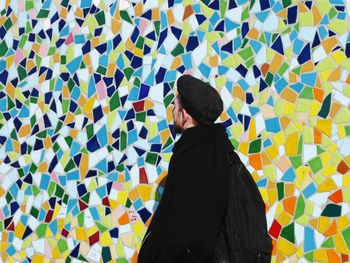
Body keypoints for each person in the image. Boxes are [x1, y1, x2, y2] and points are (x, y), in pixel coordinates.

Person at [137, 75, 235, 263]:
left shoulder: (188, 157)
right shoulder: (220, 152)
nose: (173, 111)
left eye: (175, 106)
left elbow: (177, 227)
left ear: (185, 114)